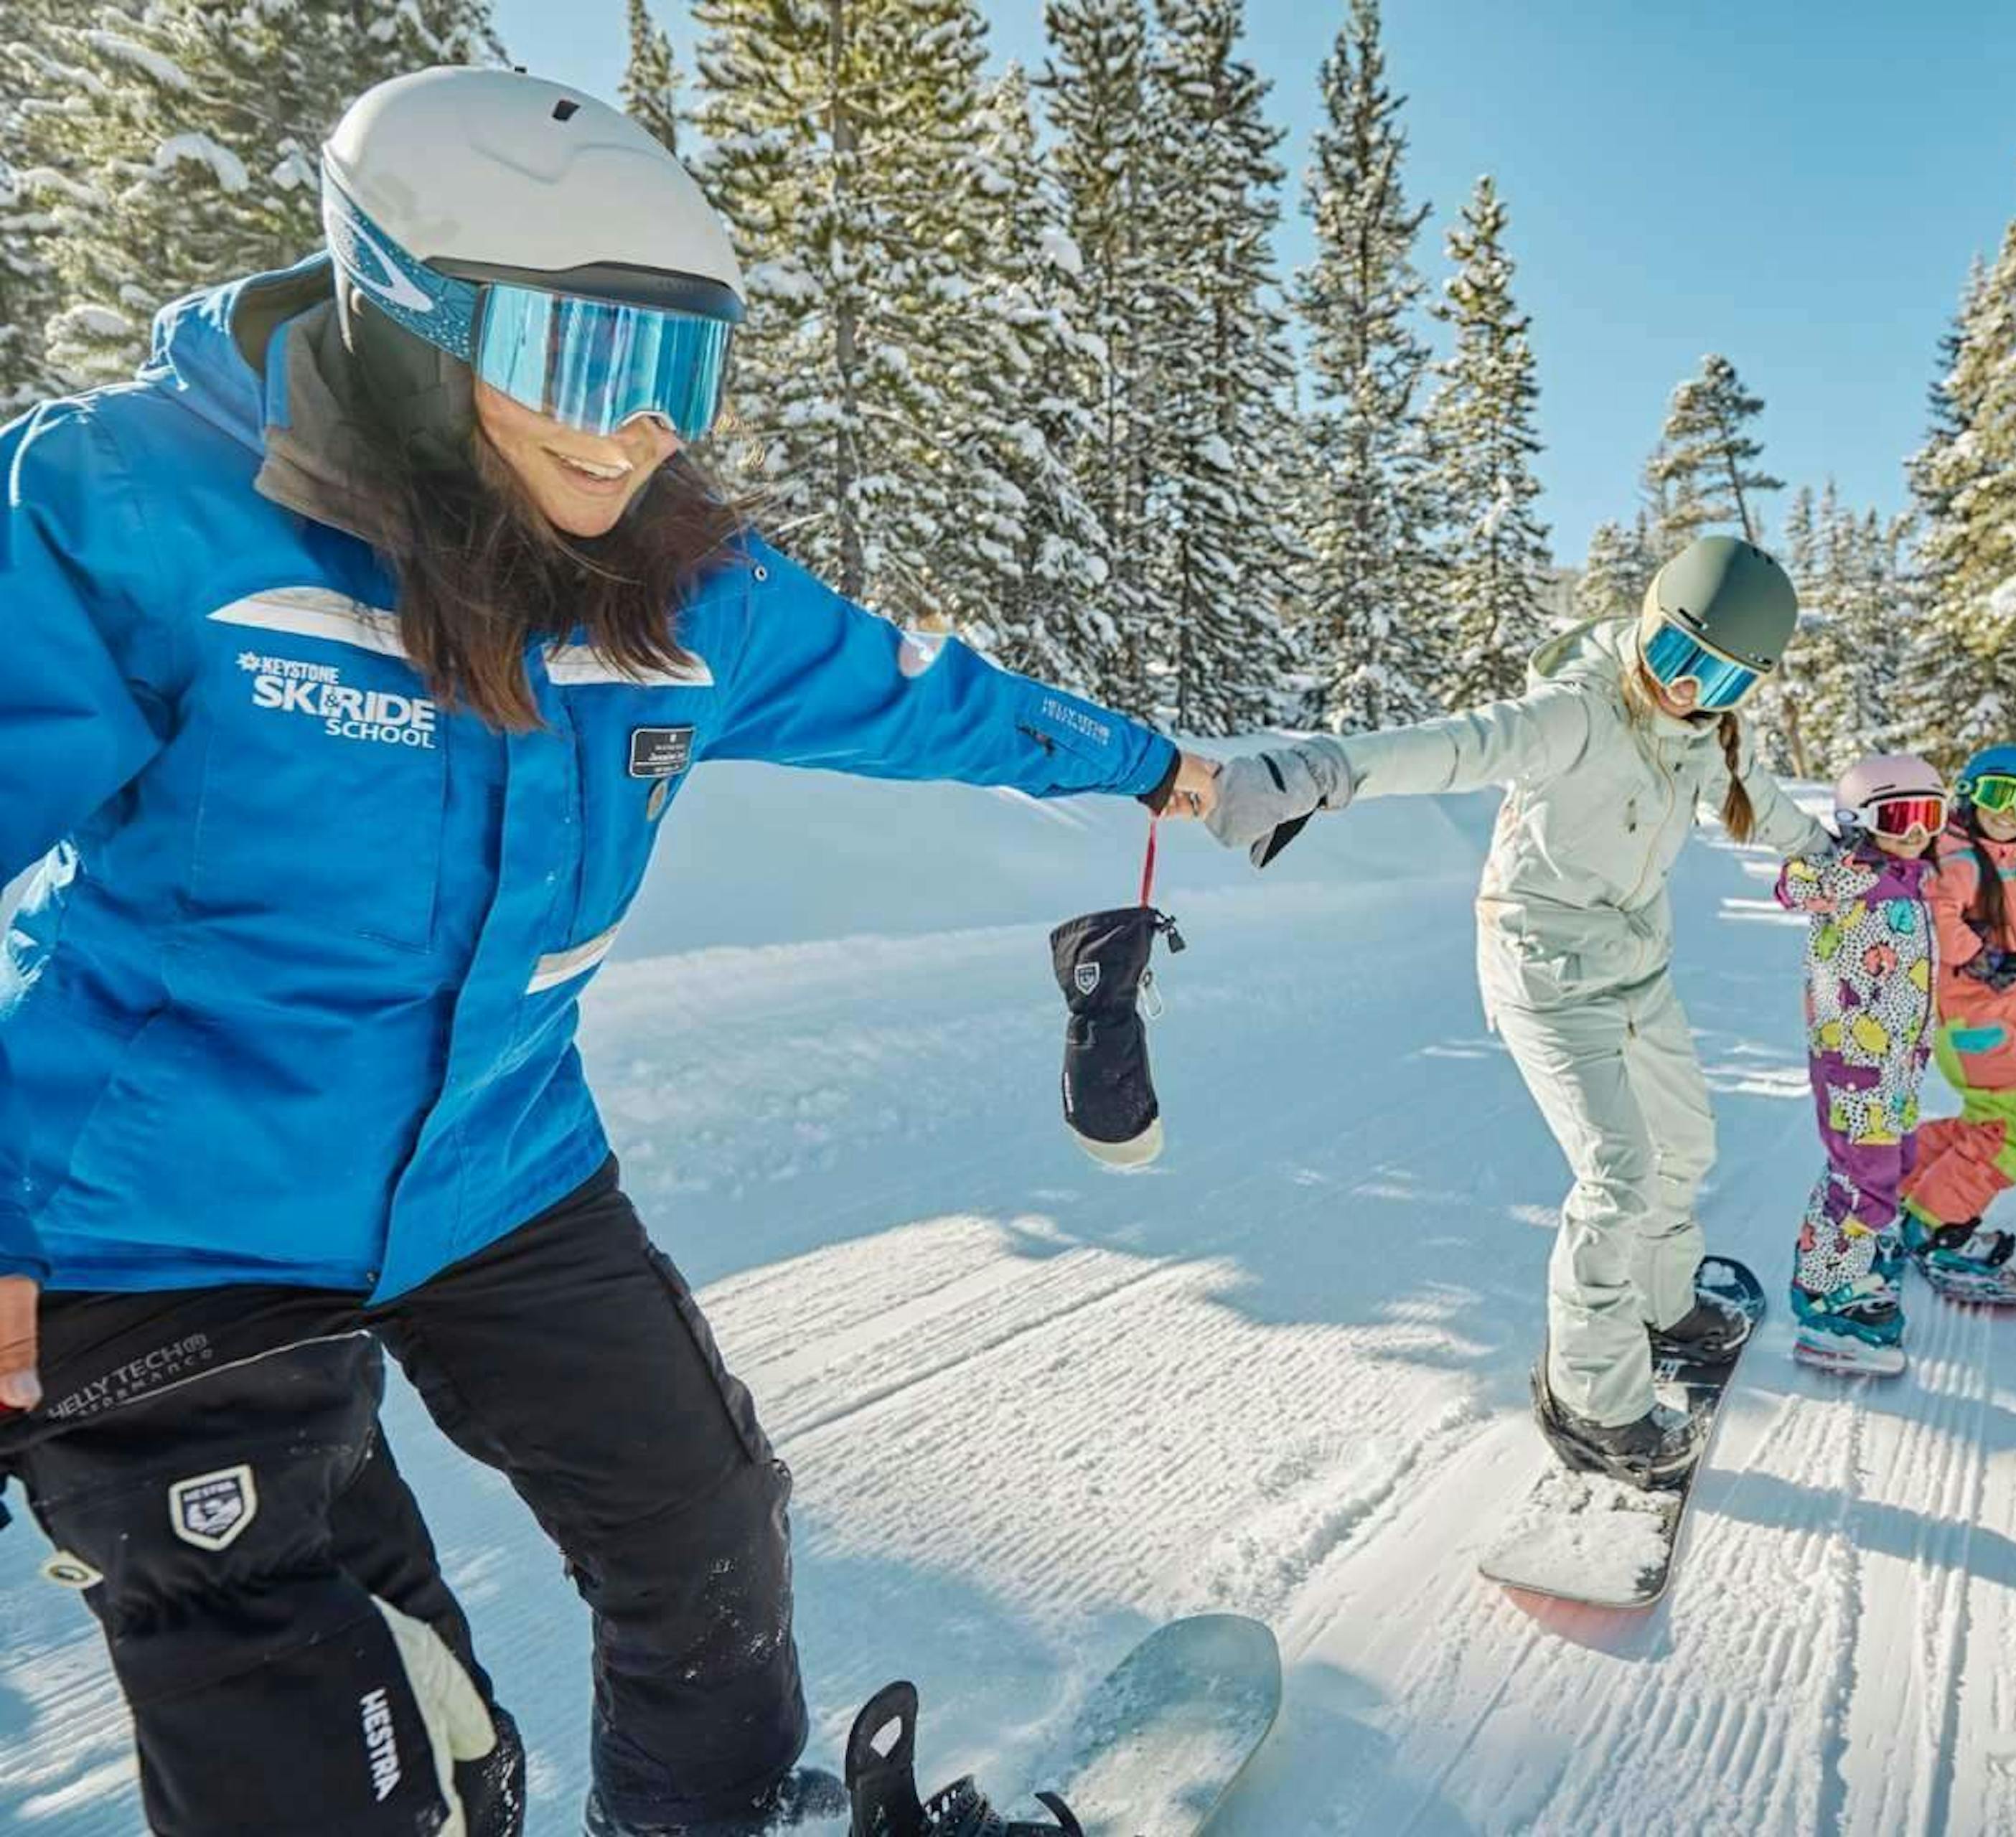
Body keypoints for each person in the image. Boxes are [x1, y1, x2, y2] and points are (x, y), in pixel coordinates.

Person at [0, 68, 1210, 1837]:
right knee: (327, 1722)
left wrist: (1145, 758)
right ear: (402, 315)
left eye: (680, 372)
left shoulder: (680, 589)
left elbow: (916, 692)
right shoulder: (130, 512)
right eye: (586, 364)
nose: (637, 432)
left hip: (501, 1167)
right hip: (163, 1213)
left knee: (707, 1531)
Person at [1201, 535, 1834, 1488]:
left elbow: (1761, 802)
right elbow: (1454, 747)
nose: (1686, 690)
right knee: (1619, 1173)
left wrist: (1834, 861)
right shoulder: (1578, 713)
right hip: (1542, 969)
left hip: (1633, 963)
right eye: (1672, 657)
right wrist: (1311, 773)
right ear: (1647, 622)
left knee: (1687, 1143)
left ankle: (1665, 1303)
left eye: (1720, 681)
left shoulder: (1701, 739)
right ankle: (1592, 1401)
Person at [1775, 754, 1947, 1376]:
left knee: (1893, 1161)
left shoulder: (1909, 876)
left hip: (1897, 1056)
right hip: (1856, 1058)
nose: (1916, 830)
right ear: (1859, 820)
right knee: (1862, 1174)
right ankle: (1826, 1295)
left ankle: (1862, 1256)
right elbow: (1794, 885)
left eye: (1931, 815)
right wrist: (1839, 860)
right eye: (1899, 816)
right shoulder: (1853, 875)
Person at [1902, 742, 2016, 1281]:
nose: (2011, 812)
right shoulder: (1961, 857)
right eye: (1999, 794)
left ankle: (1905, 1180)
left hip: (1997, 1025)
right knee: (2014, 1144)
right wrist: (1979, 960)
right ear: (1970, 793)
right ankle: (1935, 1222)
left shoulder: (2009, 860)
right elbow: (1935, 916)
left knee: (1983, 1125)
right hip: (1980, 1027)